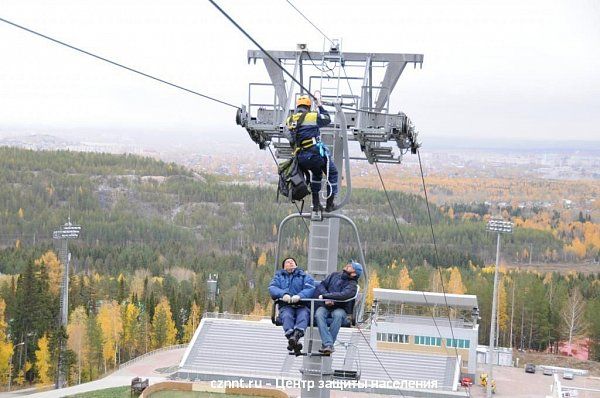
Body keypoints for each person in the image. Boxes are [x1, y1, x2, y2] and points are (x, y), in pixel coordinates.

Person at [285, 94, 339, 213]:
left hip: (301, 157)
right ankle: (329, 204)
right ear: (308, 107)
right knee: (333, 173)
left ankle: (316, 204)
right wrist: (319, 105)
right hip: (313, 154)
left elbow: (289, 136)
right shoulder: (311, 116)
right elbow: (326, 118)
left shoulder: (290, 119)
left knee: (317, 173)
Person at [313, 261, 363, 354]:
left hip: (340, 307)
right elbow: (322, 285)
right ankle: (329, 344)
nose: (348, 265)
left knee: (338, 315)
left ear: (354, 273)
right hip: (325, 305)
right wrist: (326, 297)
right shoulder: (334, 275)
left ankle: (327, 344)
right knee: (319, 314)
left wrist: (328, 297)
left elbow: (344, 295)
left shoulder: (352, 285)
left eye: (351, 266)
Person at [269, 257, 315, 353]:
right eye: (287, 262)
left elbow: (310, 288)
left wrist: (300, 296)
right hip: (286, 305)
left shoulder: (304, 276)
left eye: (292, 262)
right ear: (284, 267)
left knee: (303, 315)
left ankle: (294, 338)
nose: (290, 263)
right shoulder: (279, 277)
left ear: (296, 265)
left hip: (302, 305)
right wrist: (283, 294)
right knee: (286, 316)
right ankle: (293, 339)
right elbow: (273, 288)